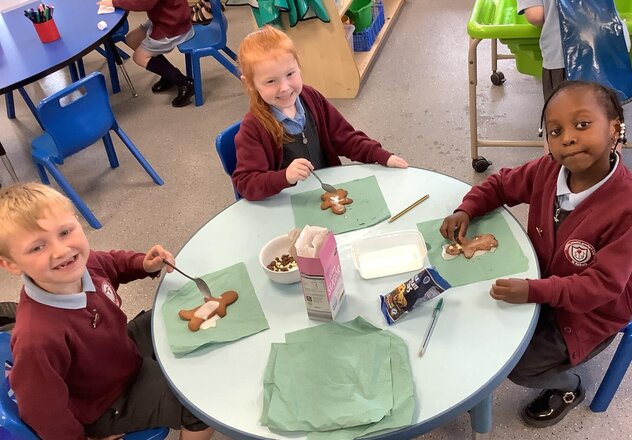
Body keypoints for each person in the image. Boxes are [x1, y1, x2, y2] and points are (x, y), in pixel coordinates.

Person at [440, 81, 632, 428]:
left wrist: (534, 291)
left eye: (582, 124)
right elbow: (501, 184)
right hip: (543, 284)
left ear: (615, 128)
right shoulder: (548, 170)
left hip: (589, 314)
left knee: (518, 367)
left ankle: (570, 388)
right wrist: (468, 209)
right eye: (555, 131)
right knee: (476, 312)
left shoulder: (631, 205)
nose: (567, 137)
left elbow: (601, 287)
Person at [0, 183, 214, 440]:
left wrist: (143, 264)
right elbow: (43, 412)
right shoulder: (37, 336)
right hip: (107, 403)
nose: (61, 250)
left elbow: (113, 262)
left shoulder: (83, 263)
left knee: (174, 310)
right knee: (199, 408)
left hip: (120, 351)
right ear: (11, 264)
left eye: (65, 232)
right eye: (37, 247)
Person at [232, 25, 408, 201]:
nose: (284, 88)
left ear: (298, 67)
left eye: (290, 74)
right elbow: (246, 183)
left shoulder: (311, 98)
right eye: (271, 81)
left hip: (325, 194)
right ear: (250, 84)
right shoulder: (253, 128)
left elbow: (345, 138)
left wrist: (380, 155)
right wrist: (284, 176)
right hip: (287, 204)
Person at [518, 0, 630, 101]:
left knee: (568, 112)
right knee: (606, 107)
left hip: (565, 54)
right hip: (609, 43)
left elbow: (536, 15)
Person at [97, 0, 196, 107]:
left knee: (139, 57)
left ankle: (184, 82)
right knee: (132, 39)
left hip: (174, 25)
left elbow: (144, 3)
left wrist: (115, 2)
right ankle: (168, 75)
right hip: (164, 18)